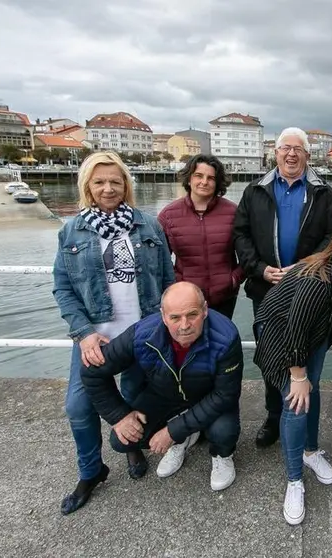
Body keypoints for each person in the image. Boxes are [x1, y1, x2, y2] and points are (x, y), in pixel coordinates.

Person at [52, 151, 174, 515]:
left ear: (126, 185)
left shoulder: (149, 226)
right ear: (87, 186)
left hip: (140, 333)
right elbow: (62, 288)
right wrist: (84, 333)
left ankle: (130, 444)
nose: (108, 188)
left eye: (115, 181)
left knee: (135, 393)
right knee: (78, 405)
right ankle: (91, 471)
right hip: (95, 336)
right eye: (100, 182)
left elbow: (167, 281)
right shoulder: (72, 230)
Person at [253, 218, 332, 525]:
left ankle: (310, 452)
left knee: (313, 391)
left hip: (316, 334)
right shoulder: (319, 280)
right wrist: (297, 377)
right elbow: (294, 332)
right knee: (296, 402)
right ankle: (294, 479)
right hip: (279, 334)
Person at [234, 127, 332, 448]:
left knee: (306, 353)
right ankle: (273, 415)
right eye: (285, 148)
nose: (291, 154)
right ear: (276, 153)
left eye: (298, 149)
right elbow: (241, 236)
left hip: (309, 289)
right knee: (270, 355)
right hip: (266, 289)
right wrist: (260, 269)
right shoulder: (255, 191)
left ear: (308, 156)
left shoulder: (323, 193)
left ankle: (303, 417)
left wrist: (306, 266)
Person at [81, 282, 243, 492]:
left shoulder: (226, 336)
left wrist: (172, 431)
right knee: (122, 441)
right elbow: (91, 373)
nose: (184, 325)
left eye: (192, 314)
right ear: (163, 316)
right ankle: (184, 438)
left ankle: (222, 454)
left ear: (204, 310)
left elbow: (225, 395)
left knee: (224, 432)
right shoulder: (142, 334)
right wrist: (119, 416)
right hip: (165, 395)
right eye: (175, 317)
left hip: (208, 396)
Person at [158, 154, 243, 319]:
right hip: (186, 300)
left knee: (221, 341)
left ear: (217, 182)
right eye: (198, 176)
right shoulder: (168, 215)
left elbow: (248, 252)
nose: (204, 182)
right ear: (189, 179)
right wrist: (178, 281)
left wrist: (233, 279)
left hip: (224, 297)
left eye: (210, 178)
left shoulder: (234, 212)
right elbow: (160, 259)